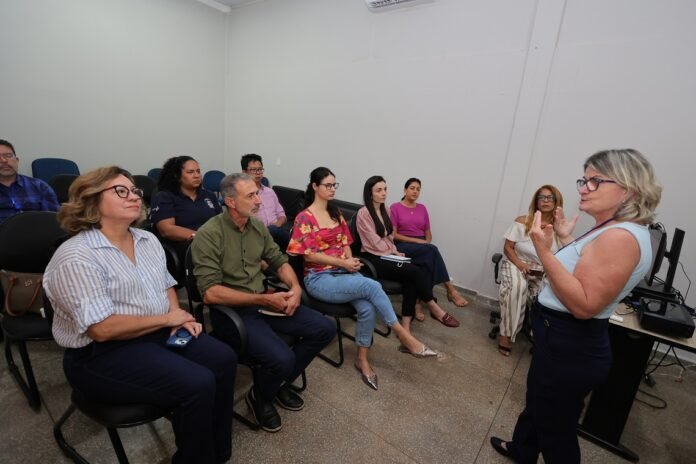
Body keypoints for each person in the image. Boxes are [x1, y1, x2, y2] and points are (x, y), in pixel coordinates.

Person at [43, 166, 237, 464]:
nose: (134, 196)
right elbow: (101, 329)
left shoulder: (146, 240)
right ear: (91, 201)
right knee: (197, 383)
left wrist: (176, 315)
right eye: (121, 191)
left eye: (134, 190)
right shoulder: (76, 255)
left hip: (155, 333)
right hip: (100, 355)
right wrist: (167, 320)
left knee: (223, 359)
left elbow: (167, 285)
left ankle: (216, 452)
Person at [490, 149, 661, 464]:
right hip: (562, 338)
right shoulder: (613, 229)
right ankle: (523, 450)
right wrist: (567, 242)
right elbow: (582, 273)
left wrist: (544, 251)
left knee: (556, 429)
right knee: (539, 403)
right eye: (585, 179)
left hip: (571, 341)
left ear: (629, 189)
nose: (584, 187)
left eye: (596, 181)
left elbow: (583, 304)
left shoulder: (620, 238)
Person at [192, 172, 335, 433]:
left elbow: (280, 262)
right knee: (282, 359)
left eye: (257, 193)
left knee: (324, 329)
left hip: (264, 301)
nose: (258, 200)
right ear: (231, 202)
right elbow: (210, 293)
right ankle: (262, 396)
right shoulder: (209, 234)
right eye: (251, 195)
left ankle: (274, 385)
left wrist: (293, 288)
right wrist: (264, 299)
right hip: (233, 313)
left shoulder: (257, 226)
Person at [288, 167, 437, 392]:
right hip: (319, 278)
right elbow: (307, 254)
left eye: (334, 185)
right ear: (315, 187)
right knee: (372, 285)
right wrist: (344, 264)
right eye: (327, 185)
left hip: (343, 272)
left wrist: (351, 261)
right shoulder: (304, 217)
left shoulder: (335, 213)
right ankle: (403, 335)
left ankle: (362, 359)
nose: (332, 189)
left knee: (367, 308)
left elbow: (346, 243)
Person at [356, 176, 460, 331]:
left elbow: (389, 236)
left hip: (387, 253)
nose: (384, 193)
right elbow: (373, 242)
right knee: (413, 270)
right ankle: (433, 306)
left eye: (385, 189)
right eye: (379, 190)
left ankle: (405, 325)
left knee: (411, 276)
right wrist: (393, 252)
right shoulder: (364, 213)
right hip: (373, 257)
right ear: (370, 194)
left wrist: (395, 251)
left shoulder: (385, 210)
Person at [497, 185, 564, 356]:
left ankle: (538, 336)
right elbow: (508, 248)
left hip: (543, 270)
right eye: (541, 197)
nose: (545, 201)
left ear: (557, 202)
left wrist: (545, 270)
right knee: (518, 289)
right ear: (536, 202)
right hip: (516, 263)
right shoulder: (522, 221)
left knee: (547, 296)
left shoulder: (559, 229)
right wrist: (520, 264)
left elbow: (562, 257)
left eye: (550, 197)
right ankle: (506, 335)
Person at [390, 178, 469, 321]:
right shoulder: (395, 207)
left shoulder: (422, 208)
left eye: (418, 189)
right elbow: (394, 234)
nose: (415, 191)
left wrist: (426, 242)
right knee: (431, 251)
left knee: (426, 261)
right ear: (405, 190)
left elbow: (428, 232)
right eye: (412, 188)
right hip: (402, 244)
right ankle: (450, 289)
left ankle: (417, 302)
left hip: (421, 244)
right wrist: (419, 242)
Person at [150, 156, 222, 280]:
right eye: (190, 172)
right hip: (184, 245)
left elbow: (221, 222)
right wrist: (201, 237)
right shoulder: (165, 197)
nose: (197, 175)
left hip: (213, 242)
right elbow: (167, 230)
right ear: (177, 176)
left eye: (198, 171)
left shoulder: (208, 195)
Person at [0, 139, 60, 224]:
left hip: (38, 234)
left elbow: (55, 219)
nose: (4, 160)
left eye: (8, 155)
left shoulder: (40, 186)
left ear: (17, 160)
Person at [241, 153, 290, 250]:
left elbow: (282, 215)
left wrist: (277, 225)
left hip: (276, 232)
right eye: (253, 170)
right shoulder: (241, 195)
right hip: (256, 235)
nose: (258, 172)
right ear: (244, 172)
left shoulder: (270, 192)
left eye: (260, 169)